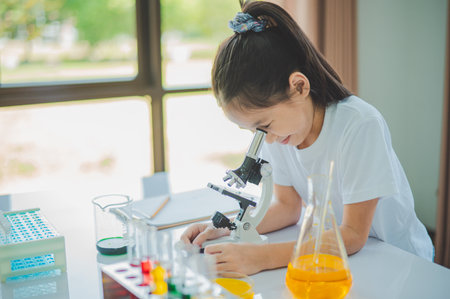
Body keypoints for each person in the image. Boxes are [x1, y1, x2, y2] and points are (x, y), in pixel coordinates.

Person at [180, 1, 434, 275]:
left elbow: (352, 234)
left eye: (264, 125)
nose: (266, 140)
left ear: (299, 86)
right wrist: (226, 227)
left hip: (397, 261)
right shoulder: (282, 133)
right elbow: (288, 208)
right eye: (253, 131)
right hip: (343, 257)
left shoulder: (359, 125)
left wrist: (261, 257)